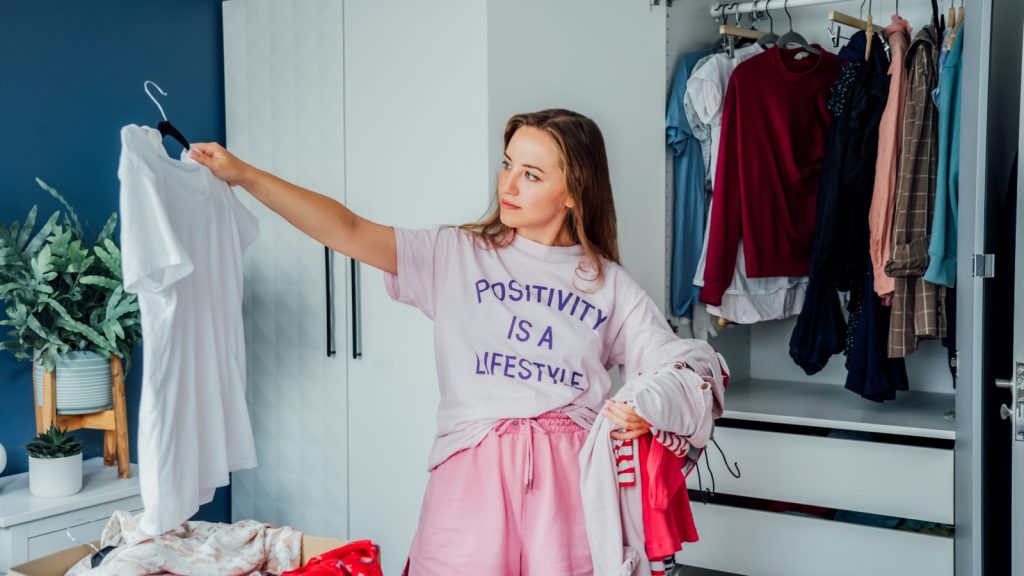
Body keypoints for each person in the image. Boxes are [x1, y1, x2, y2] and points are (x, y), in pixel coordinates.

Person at [188, 108, 719, 576]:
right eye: (507, 164)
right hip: (471, 470)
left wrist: (647, 406)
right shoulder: (456, 254)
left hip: (569, 484)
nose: (508, 184)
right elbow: (347, 230)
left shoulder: (608, 284)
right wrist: (243, 175)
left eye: (531, 174)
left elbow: (675, 364)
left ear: (575, 192)